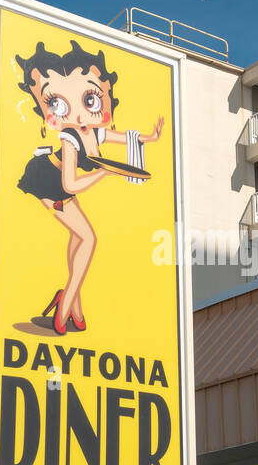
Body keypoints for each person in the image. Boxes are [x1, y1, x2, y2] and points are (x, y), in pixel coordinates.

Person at [14, 40, 163, 336]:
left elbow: (124, 138)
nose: (80, 113)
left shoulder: (95, 131)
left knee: (78, 238)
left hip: (62, 188)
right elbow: (70, 183)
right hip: (47, 181)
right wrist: (105, 172)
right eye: (60, 102)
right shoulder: (69, 138)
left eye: (90, 100)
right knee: (89, 239)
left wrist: (150, 137)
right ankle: (65, 304)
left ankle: (75, 311)